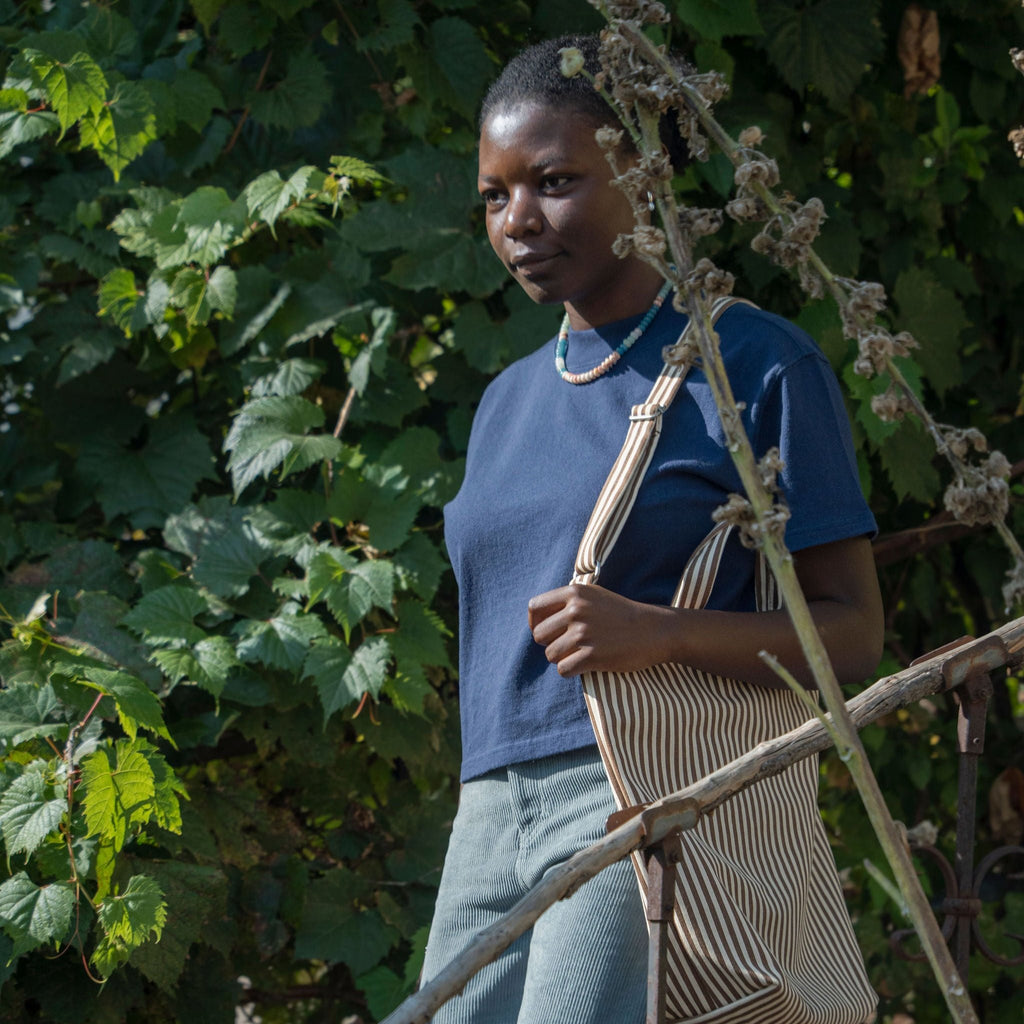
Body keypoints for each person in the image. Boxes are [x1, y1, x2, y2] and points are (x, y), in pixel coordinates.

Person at [418, 32, 883, 1024]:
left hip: (636, 778)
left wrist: (660, 631)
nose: (518, 222)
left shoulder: (749, 363)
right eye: (495, 196)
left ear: (642, 166)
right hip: (491, 805)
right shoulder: (503, 402)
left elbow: (850, 632)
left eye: (551, 180)